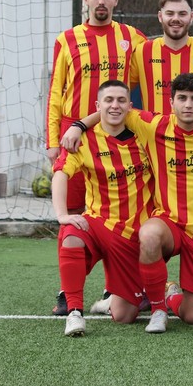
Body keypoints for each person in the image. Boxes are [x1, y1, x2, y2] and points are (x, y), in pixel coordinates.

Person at [61, 73, 193, 334]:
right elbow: (112, 110)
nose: (188, 105)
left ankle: (168, 292)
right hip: (170, 222)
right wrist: (78, 126)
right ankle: (157, 310)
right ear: (171, 102)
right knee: (149, 234)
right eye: (182, 99)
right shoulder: (154, 126)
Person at [47, 0, 147, 316]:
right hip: (75, 139)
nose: (101, 1)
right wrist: (52, 140)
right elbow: (55, 92)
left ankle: (112, 287)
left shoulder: (131, 37)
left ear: (116, 0)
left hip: (117, 136)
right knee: (74, 217)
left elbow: (163, 56)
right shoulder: (67, 38)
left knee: (117, 212)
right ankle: (67, 290)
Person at [52, 80, 155, 336]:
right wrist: (62, 215)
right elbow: (60, 174)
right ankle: (75, 312)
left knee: (124, 316)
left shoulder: (146, 133)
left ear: (131, 106)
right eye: (108, 100)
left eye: (121, 100)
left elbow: (180, 119)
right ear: (98, 106)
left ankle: (128, 295)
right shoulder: (84, 141)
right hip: (98, 224)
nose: (115, 105)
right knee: (71, 235)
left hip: (135, 235)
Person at [128, 0, 193, 114]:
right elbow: (122, 92)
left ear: (192, 16)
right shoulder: (142, 51)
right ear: (160, 16)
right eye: (170, 13)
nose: (176, 19)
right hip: (152, 132)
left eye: (182, 14)